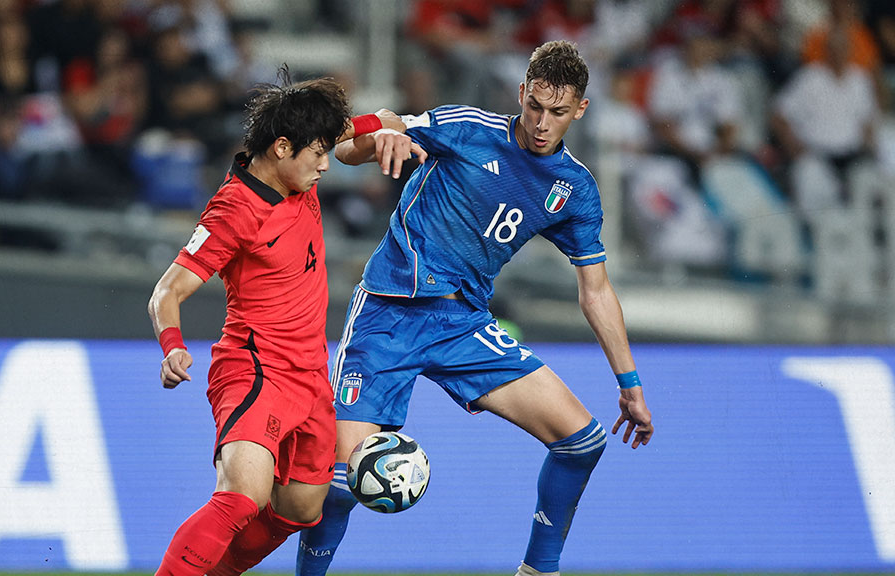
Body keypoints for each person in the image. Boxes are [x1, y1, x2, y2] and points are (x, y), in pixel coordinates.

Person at [295, 40, 654, 576]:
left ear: (580, 110)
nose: (541, 122)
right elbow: (352, 147)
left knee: (582, 441)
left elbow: (596, 290)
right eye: (534, 105)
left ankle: (537, 572)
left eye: (557, 112)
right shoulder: (467, 128)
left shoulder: (574, 188)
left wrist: (629, 383)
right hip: (388, 314)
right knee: (342, 484)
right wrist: (382, 135)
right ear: (521, 93)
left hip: (463, 323)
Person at [147, 71, 421, 576]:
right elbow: (167, 291)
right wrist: (172, 346)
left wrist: (387, 130)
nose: (325, 166)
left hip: (312, 377)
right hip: (255, 371)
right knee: (243, 498)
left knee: (302, 509)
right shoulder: (233, 211)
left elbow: (374, 121)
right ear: (280, 148)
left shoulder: (302, 149)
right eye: (316, 156)